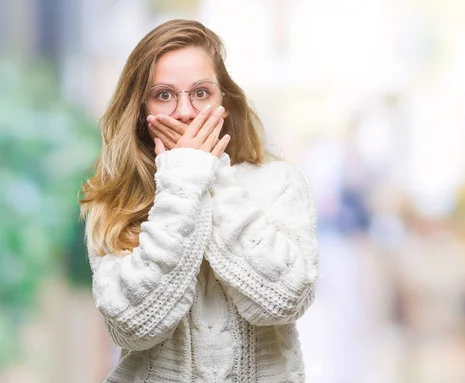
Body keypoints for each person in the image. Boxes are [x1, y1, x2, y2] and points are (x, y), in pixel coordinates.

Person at [78, 19, 318, 383]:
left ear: (225, 99)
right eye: (164, 94)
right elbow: (134, 325)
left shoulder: (280, 182)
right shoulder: (116, 200)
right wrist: (182, 183)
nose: (186, 112)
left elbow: (285, 299)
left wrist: (210, 175)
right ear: (141, 111)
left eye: (201, 93)